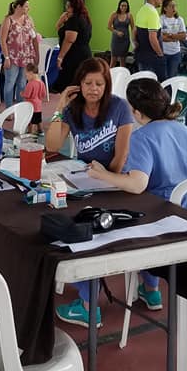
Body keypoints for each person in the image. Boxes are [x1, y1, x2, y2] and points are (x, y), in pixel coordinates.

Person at [81, 78, 187, 321]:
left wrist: (102, 174)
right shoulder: (183, 129)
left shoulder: (143, 137)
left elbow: (138, 184)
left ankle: (88, 301)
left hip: (161, 218)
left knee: (97, 222)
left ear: (137, 112)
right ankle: (151, 290)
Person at [46, 57, 134, 328]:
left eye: (99, 83)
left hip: (119, 182)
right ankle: (88, 300)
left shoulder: (119, 107)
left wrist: (108, 181)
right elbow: (52, 145)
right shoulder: (73, 109)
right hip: (87, 182)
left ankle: (146, 289)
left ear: (107, 85)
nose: (93, 89)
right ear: (79, 85)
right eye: (88, 83)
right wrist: (60, 107)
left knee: (90, 230)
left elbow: (122, 155)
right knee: (76, 228)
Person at [0, 0, 39, 107]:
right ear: (18, 7)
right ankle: (8, 108)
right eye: (26, 6)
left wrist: (36, 54)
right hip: (13, 56)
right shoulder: (8, 20)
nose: (28, 8)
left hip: (26, 56)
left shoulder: (29, 19)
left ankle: (20, 108)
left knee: (22, 83)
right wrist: (6, 57)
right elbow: (3, 40)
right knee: (10, 83)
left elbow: (34, 37)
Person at [51, 0, 93, 94]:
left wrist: (60, 57)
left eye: (69, 7)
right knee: (79, 84)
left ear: (74, 7)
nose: (67, 9)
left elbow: (69, 40)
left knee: (70, 85)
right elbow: (58, 29)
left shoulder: (74, 20)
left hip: (74, 57)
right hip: (84, 54)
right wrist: (61, 20)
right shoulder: (85, 19)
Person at [134, 0, 165, 78]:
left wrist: (136, 44)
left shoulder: (142, 10)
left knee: (145, 83)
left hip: (142, 56)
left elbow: (134, 31)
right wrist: (160, 55)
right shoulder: (152, 13)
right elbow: (152, 38)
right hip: (152, 59)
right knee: (155, 84)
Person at [159, 0, 187, 81]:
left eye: (175, 6)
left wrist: (170, 35)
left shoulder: (179, 20)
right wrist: (175, 37)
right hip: (163, 52)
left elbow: (183, 36)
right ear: (165, 8)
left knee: (172, 77)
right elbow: (160, 37)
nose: (174, 8)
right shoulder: (161, 19)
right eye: (171, 6)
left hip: (175, 53)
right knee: (163, 77)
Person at [107, 0, 135, 68]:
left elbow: (133, 28)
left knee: (123, 61)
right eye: (122, 5)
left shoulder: (129, 15)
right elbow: (109, 27)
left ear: (127, 7)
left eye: (125, 6)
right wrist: (117, 32)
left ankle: (122, 74)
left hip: (125, 40)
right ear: (119, 6)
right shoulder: (114, 14)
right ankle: (109, 74)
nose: (123, 7)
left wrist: (134, 40)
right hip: (115, 40)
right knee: (113, 60)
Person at [21, 62, 45, 136]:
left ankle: (30, 132)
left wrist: (22, 94)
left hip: (31, 106)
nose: (26, 77)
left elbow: (27, 95)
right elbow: (43, 94)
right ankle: (41, 131)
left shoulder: (30, 84)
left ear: (31, 73)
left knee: (30, 121)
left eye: (26, 75)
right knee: (38, 120)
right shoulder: (41, 83)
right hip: (38, 106)